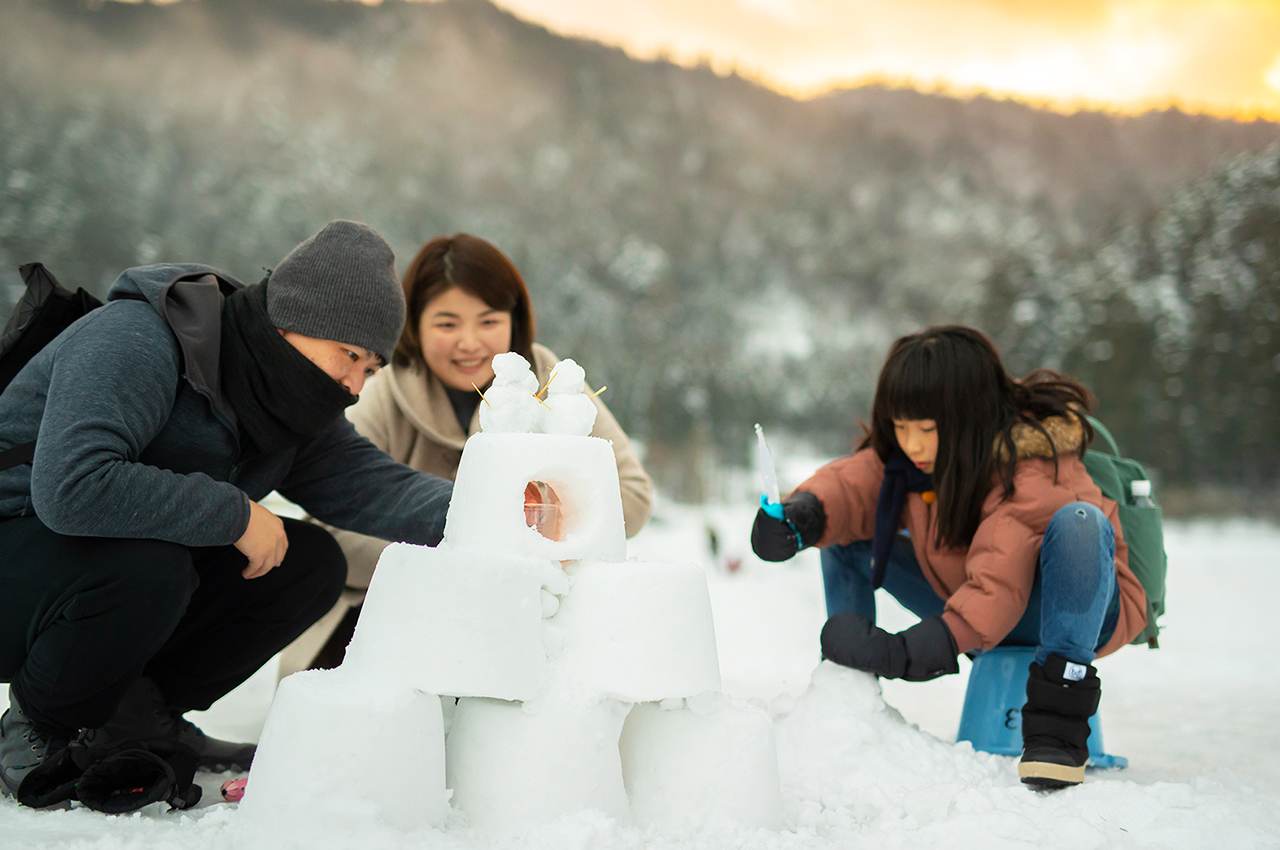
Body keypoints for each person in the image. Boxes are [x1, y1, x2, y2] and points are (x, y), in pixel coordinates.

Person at [0, 220, 455, 802]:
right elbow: (73, 487)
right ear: (294, 323)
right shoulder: (137, 339)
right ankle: (40, 723)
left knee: (308, 563)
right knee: (150, 563)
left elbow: (377, 488)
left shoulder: (287, 407)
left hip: (101, 579)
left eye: (369, 369)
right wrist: (234, 513)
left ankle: (137, 712)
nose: (354, 385)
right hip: (17, 556)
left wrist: (495, 510)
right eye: (349, 355)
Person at [750, 326, 1147, 789]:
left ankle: (1058, 720)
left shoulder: (1036, 464)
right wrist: (802, 518)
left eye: (926, 429)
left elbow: (1002, 575)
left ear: (968, 417)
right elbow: (855, 483)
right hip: (978, 602)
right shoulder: (914, 463)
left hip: (1076, 610)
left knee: (1081, 522)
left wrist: (915, 651)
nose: (911, 444)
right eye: (900, 427)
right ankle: (847, 694)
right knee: (844, 534)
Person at [284, 233, 653, 672]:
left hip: (525, 615)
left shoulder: (552, 383)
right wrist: (457, 552)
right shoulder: (379, 391)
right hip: (384, 615)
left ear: (515, 321)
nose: (469, 342)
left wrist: (541, 526)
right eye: (446, 324)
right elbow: (330, 526)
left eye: (488, 320)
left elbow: (631, 493)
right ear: (413, 324)